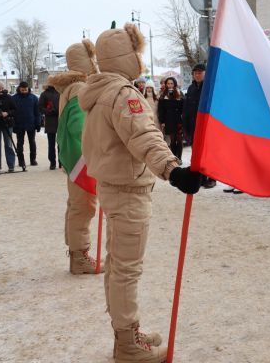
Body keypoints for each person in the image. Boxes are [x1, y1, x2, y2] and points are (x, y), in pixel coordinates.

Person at [78, 23, 201, 362]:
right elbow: (144, 137)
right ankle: (127, 343)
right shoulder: (123, 94)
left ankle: (126, 330)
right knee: (126, 268)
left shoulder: (100, 91)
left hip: (113, 187)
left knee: (118, 265)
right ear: (127, 56)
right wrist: (173, 170)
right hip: (128, 191)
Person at [48, 39, 104, 274]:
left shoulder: (72, 88)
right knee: (83, 207)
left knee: (77, 206)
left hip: (76, 157)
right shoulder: (80, 89)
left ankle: (76, 253)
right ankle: (80, 257)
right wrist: (100, 147)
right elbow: (80, 127)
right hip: (83, 158)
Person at [183, 63, 215, 189]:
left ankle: (211, 178)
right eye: (195, 73)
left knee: (208, 153)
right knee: (196, 153)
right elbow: (186, 108)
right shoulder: (190, 88)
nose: (197, 75)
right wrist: (185, 124)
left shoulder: (209, 88)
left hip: (206, 126)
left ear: (205, 74)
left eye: (200, 72)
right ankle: (201, 178)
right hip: (193, 125)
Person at [11, 81, 41, 168]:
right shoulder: (14, 98)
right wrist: (14, 125)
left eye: (25, 89)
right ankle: (21, 161)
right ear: (19, 88)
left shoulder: (34, 98)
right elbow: (12, 112)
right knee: (20, 143)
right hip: (19, 124)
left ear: (28, 89)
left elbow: (37, 112)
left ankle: (33, 160)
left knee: (32, 142)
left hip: (31, 124)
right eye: (22, 89)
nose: (24, 91)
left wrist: (38, 123)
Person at [0, 81, 16, 175]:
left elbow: (14, 109)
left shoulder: (8, 97)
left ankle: (11, 166)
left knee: (8, 145)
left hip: (7, 123)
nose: (0, 90)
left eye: (1, 88)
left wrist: (7, 113)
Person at [158, 77, 184, 161]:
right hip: (168, 120)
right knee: (172, 140)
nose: (170, 85)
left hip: (179, 120)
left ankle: (179, 158)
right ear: (166, 84)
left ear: (174, 84)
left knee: (179, 140)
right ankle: (174, 158)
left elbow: (184, 107)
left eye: (171, 83)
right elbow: (161, 110)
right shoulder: (163, 95)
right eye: (168, 83)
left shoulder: (180, 93)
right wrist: (162, 121)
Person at [38, 84, 60, 169]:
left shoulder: (61, 92)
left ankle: (56, 162)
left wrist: (49, 111)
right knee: (55, 143)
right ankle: (54, 162)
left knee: (56, 143)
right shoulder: (45, 94)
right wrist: (50, 111)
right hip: (53, 120)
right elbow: (40, 107)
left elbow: (40, 107)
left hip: (56, 120)